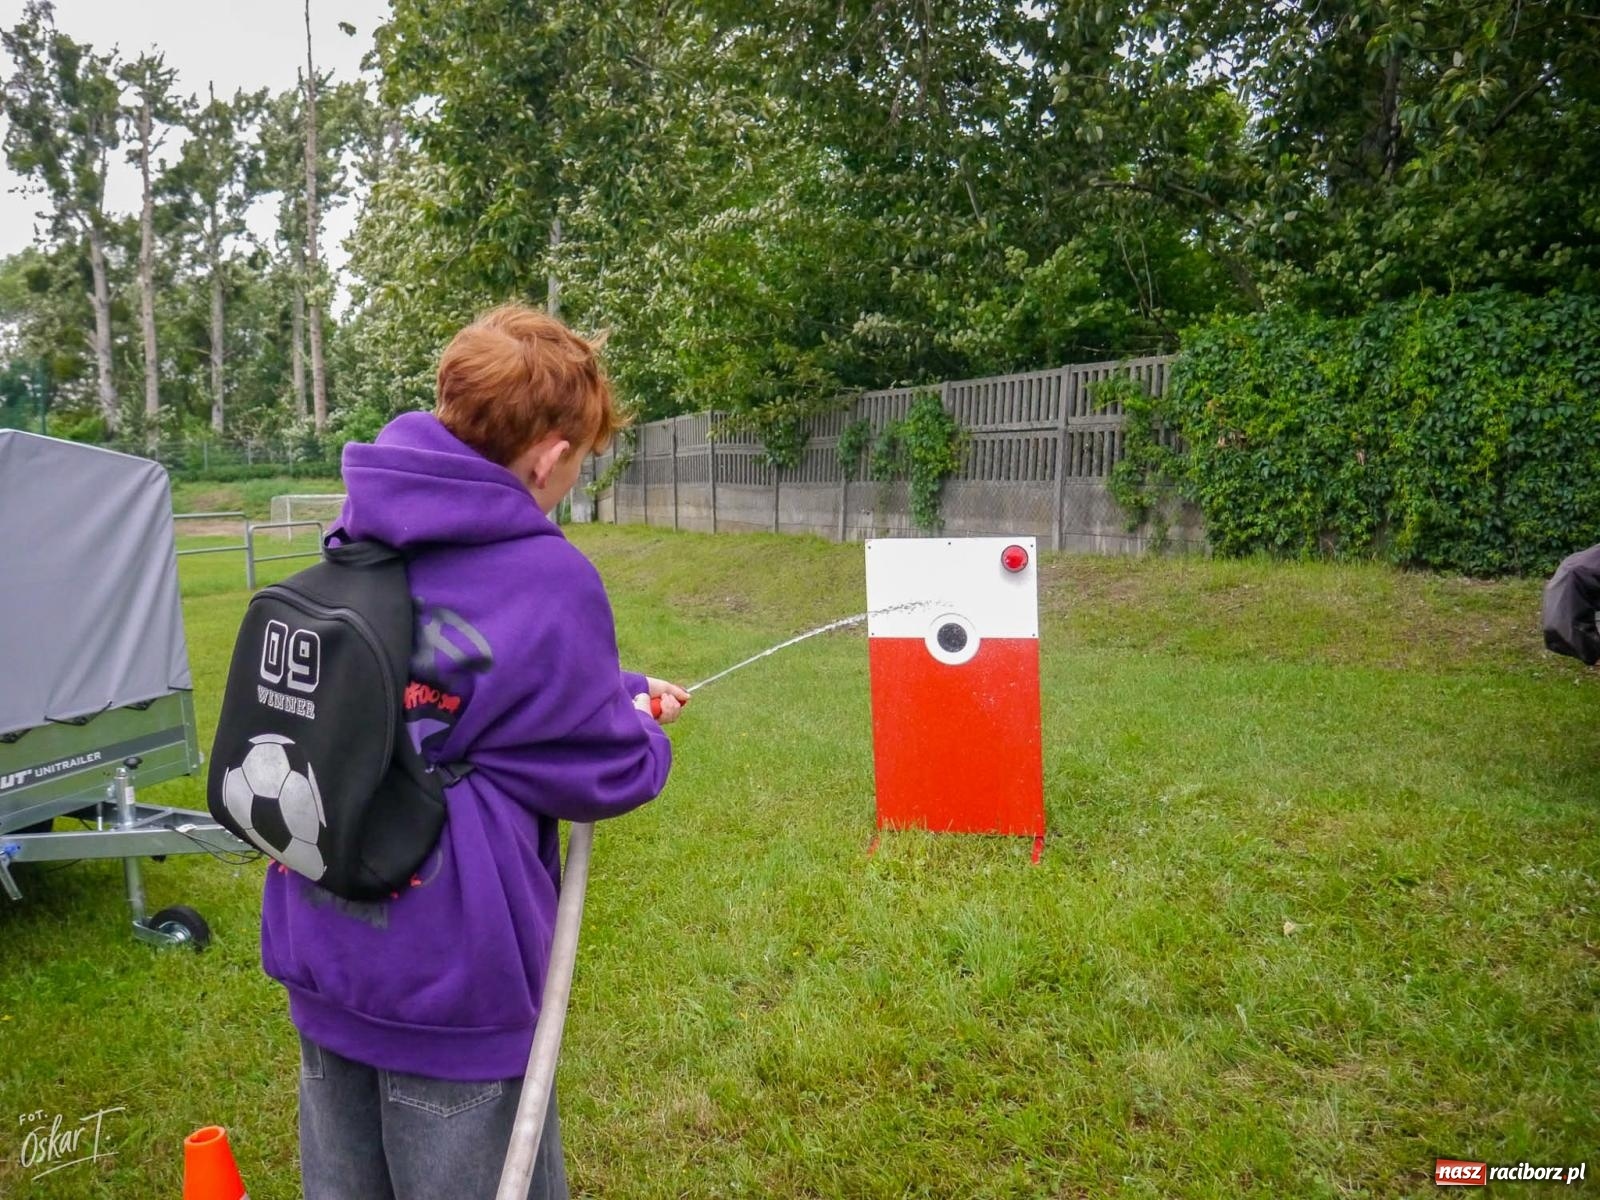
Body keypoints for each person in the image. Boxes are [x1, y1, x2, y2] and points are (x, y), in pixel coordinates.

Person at [259, 304, 688, 1199]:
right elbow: (604, 769)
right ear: (550, 454)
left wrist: (615, 686)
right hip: (447, 973)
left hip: (326, 932)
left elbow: (441, 688)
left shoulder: (366, 523)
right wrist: (640, 726)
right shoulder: (547, 574)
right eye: (581, 458)